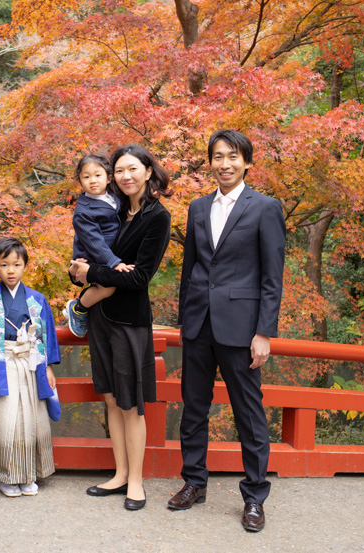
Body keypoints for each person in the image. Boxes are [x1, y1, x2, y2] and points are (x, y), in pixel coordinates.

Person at [168, 130, 286, 533]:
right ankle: (194, 482)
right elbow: (191, 269)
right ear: (210, 162)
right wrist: (186, 318)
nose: (224, 163)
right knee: (194, 408)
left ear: (246, 162)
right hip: (199, 323)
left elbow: (272, 276)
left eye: (232, 156)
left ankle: (254, 496)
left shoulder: (265, 207)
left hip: (242, 328)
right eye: (217, 157)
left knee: (248, 414)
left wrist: (264, 332)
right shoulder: (198, 207)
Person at [71, 144, 172, 511]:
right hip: (101, 317)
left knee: (132, 405)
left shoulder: (156, 216)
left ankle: (137, 482)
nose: (124, 176)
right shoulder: (111, 208)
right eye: (119, 170)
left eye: (132, 169)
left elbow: (141, 277)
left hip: (130, 319)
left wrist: (89, 274)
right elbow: (85, 251)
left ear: (148, 171)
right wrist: (77, 270)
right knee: (112, 399)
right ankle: (119, 474)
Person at [0, 238, 61, 497]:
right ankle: (6, 475)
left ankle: (27, 472)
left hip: (30, 364)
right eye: (4, 264)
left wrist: (48, 366)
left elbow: (47, 335)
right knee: (6, 420)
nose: (11, 270)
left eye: (17, 264)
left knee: (29, 419)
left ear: (25, 266)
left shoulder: (36, 299)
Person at [64, 154, 134, 337]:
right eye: (86, 177)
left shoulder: (114, 196)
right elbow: (95, 243)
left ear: (108, 177)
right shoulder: (83, 211)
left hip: (108, 253)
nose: (92, 181)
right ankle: (78, 308)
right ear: (79, 180)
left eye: (97, 175)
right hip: (92, 256)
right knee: (108, 287)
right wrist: (114, 262)